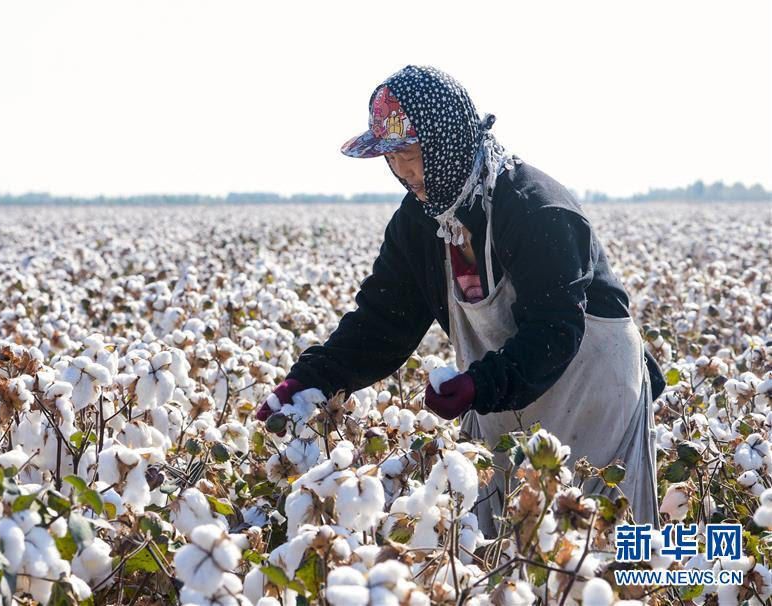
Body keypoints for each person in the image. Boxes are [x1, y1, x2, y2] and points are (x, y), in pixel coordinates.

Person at [257, 65, 663, 533]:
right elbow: (380, 323)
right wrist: (308, 381)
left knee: (596, 552)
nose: (403, 171)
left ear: (446, 142)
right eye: (391, 158)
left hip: (596, 398)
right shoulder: (421, 222)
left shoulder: (536, 210)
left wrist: (481, 386)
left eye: (410, 153)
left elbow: (554, 329)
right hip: (504, 399)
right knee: (501, 557)